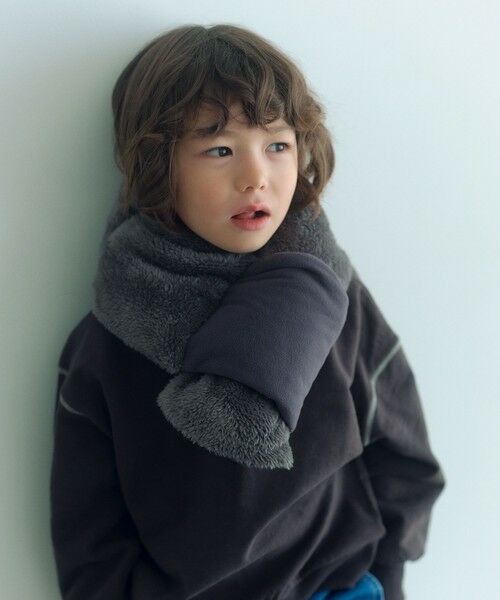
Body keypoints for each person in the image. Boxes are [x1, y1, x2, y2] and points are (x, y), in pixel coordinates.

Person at [49, 23, 446, 600]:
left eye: (277, 145)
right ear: (158, 166)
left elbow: (404, 451)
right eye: (220, 150)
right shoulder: (109, 341)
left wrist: (386, 575)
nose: (256, 177)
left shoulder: (331, 293)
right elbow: (88, 539)